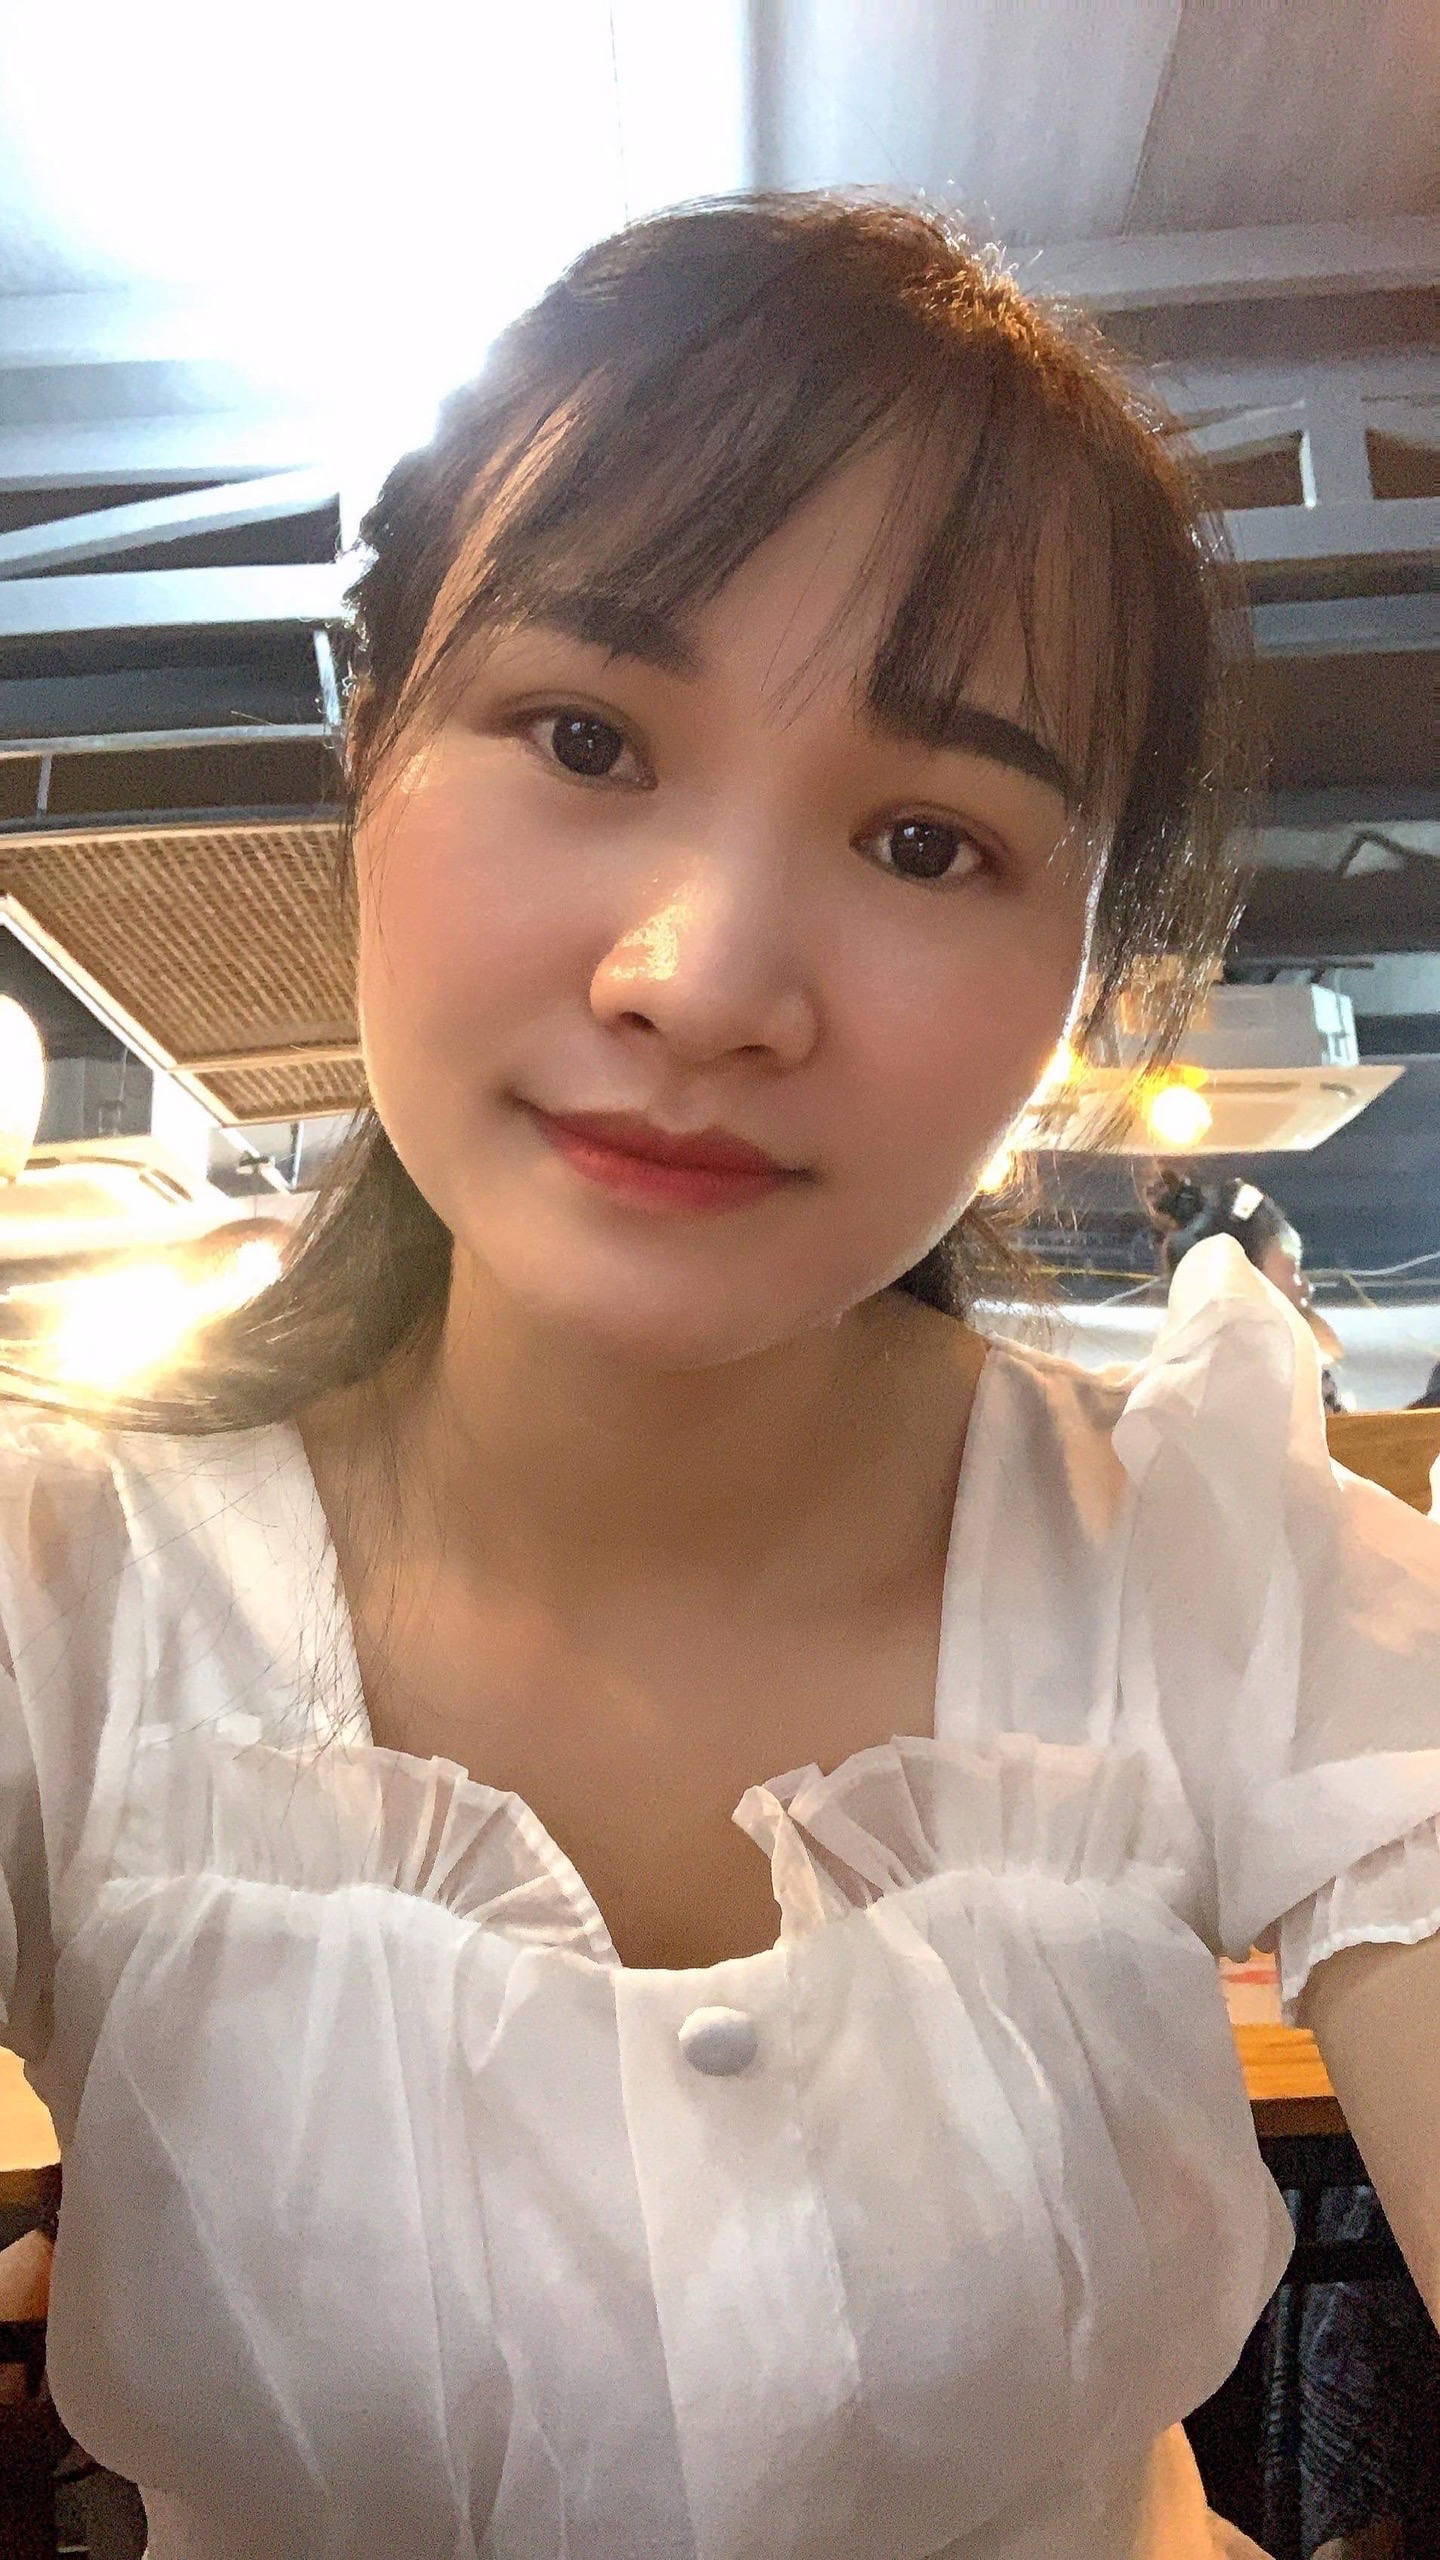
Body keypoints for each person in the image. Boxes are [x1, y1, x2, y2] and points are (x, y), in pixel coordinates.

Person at [0, 196, 1437, 2560]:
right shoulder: (65, 1596)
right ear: (370, 745)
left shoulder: (1228, 1570)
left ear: (1083, 964)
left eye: (924, 837)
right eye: (583, 735)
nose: (700, 974)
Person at [1147, 1169, 1349, 1408]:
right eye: (1293, 1269)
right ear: (1240, 1284)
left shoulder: (1179, 1391)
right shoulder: (1276, 1397)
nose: (1307, 1287)